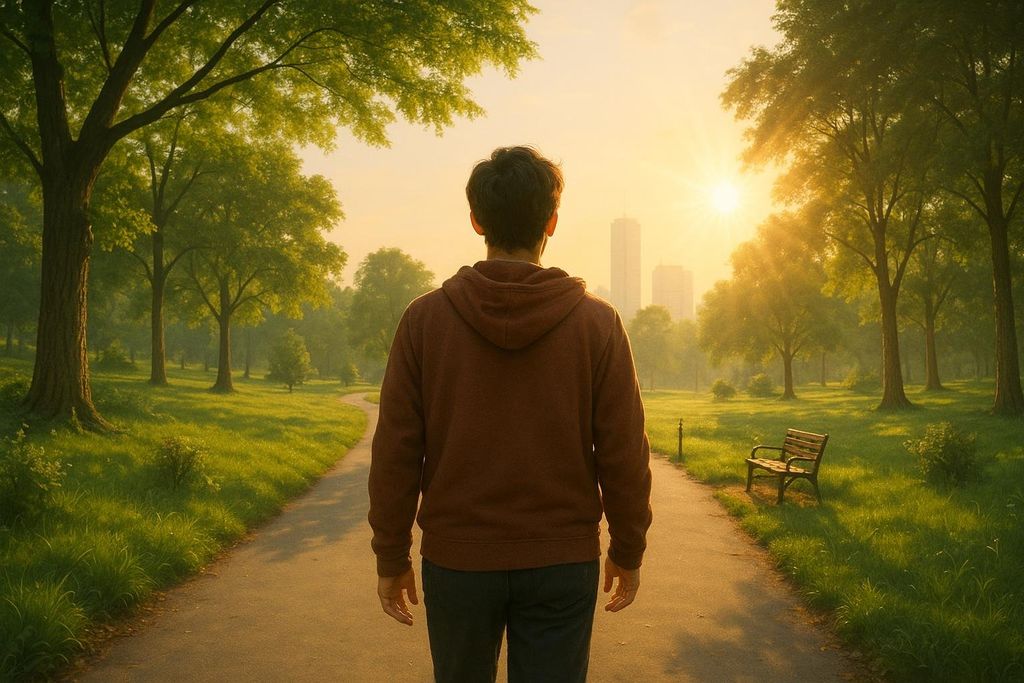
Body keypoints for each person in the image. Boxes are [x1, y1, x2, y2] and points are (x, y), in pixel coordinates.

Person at [368, 145, 653, 683]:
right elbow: (624, 451)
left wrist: (392, 556)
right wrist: (627, 547)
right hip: (561, 561)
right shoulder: (597, 324)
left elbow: (396, 452)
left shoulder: (425, 321)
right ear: (552, 221)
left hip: (457, 562)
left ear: (476, 220)